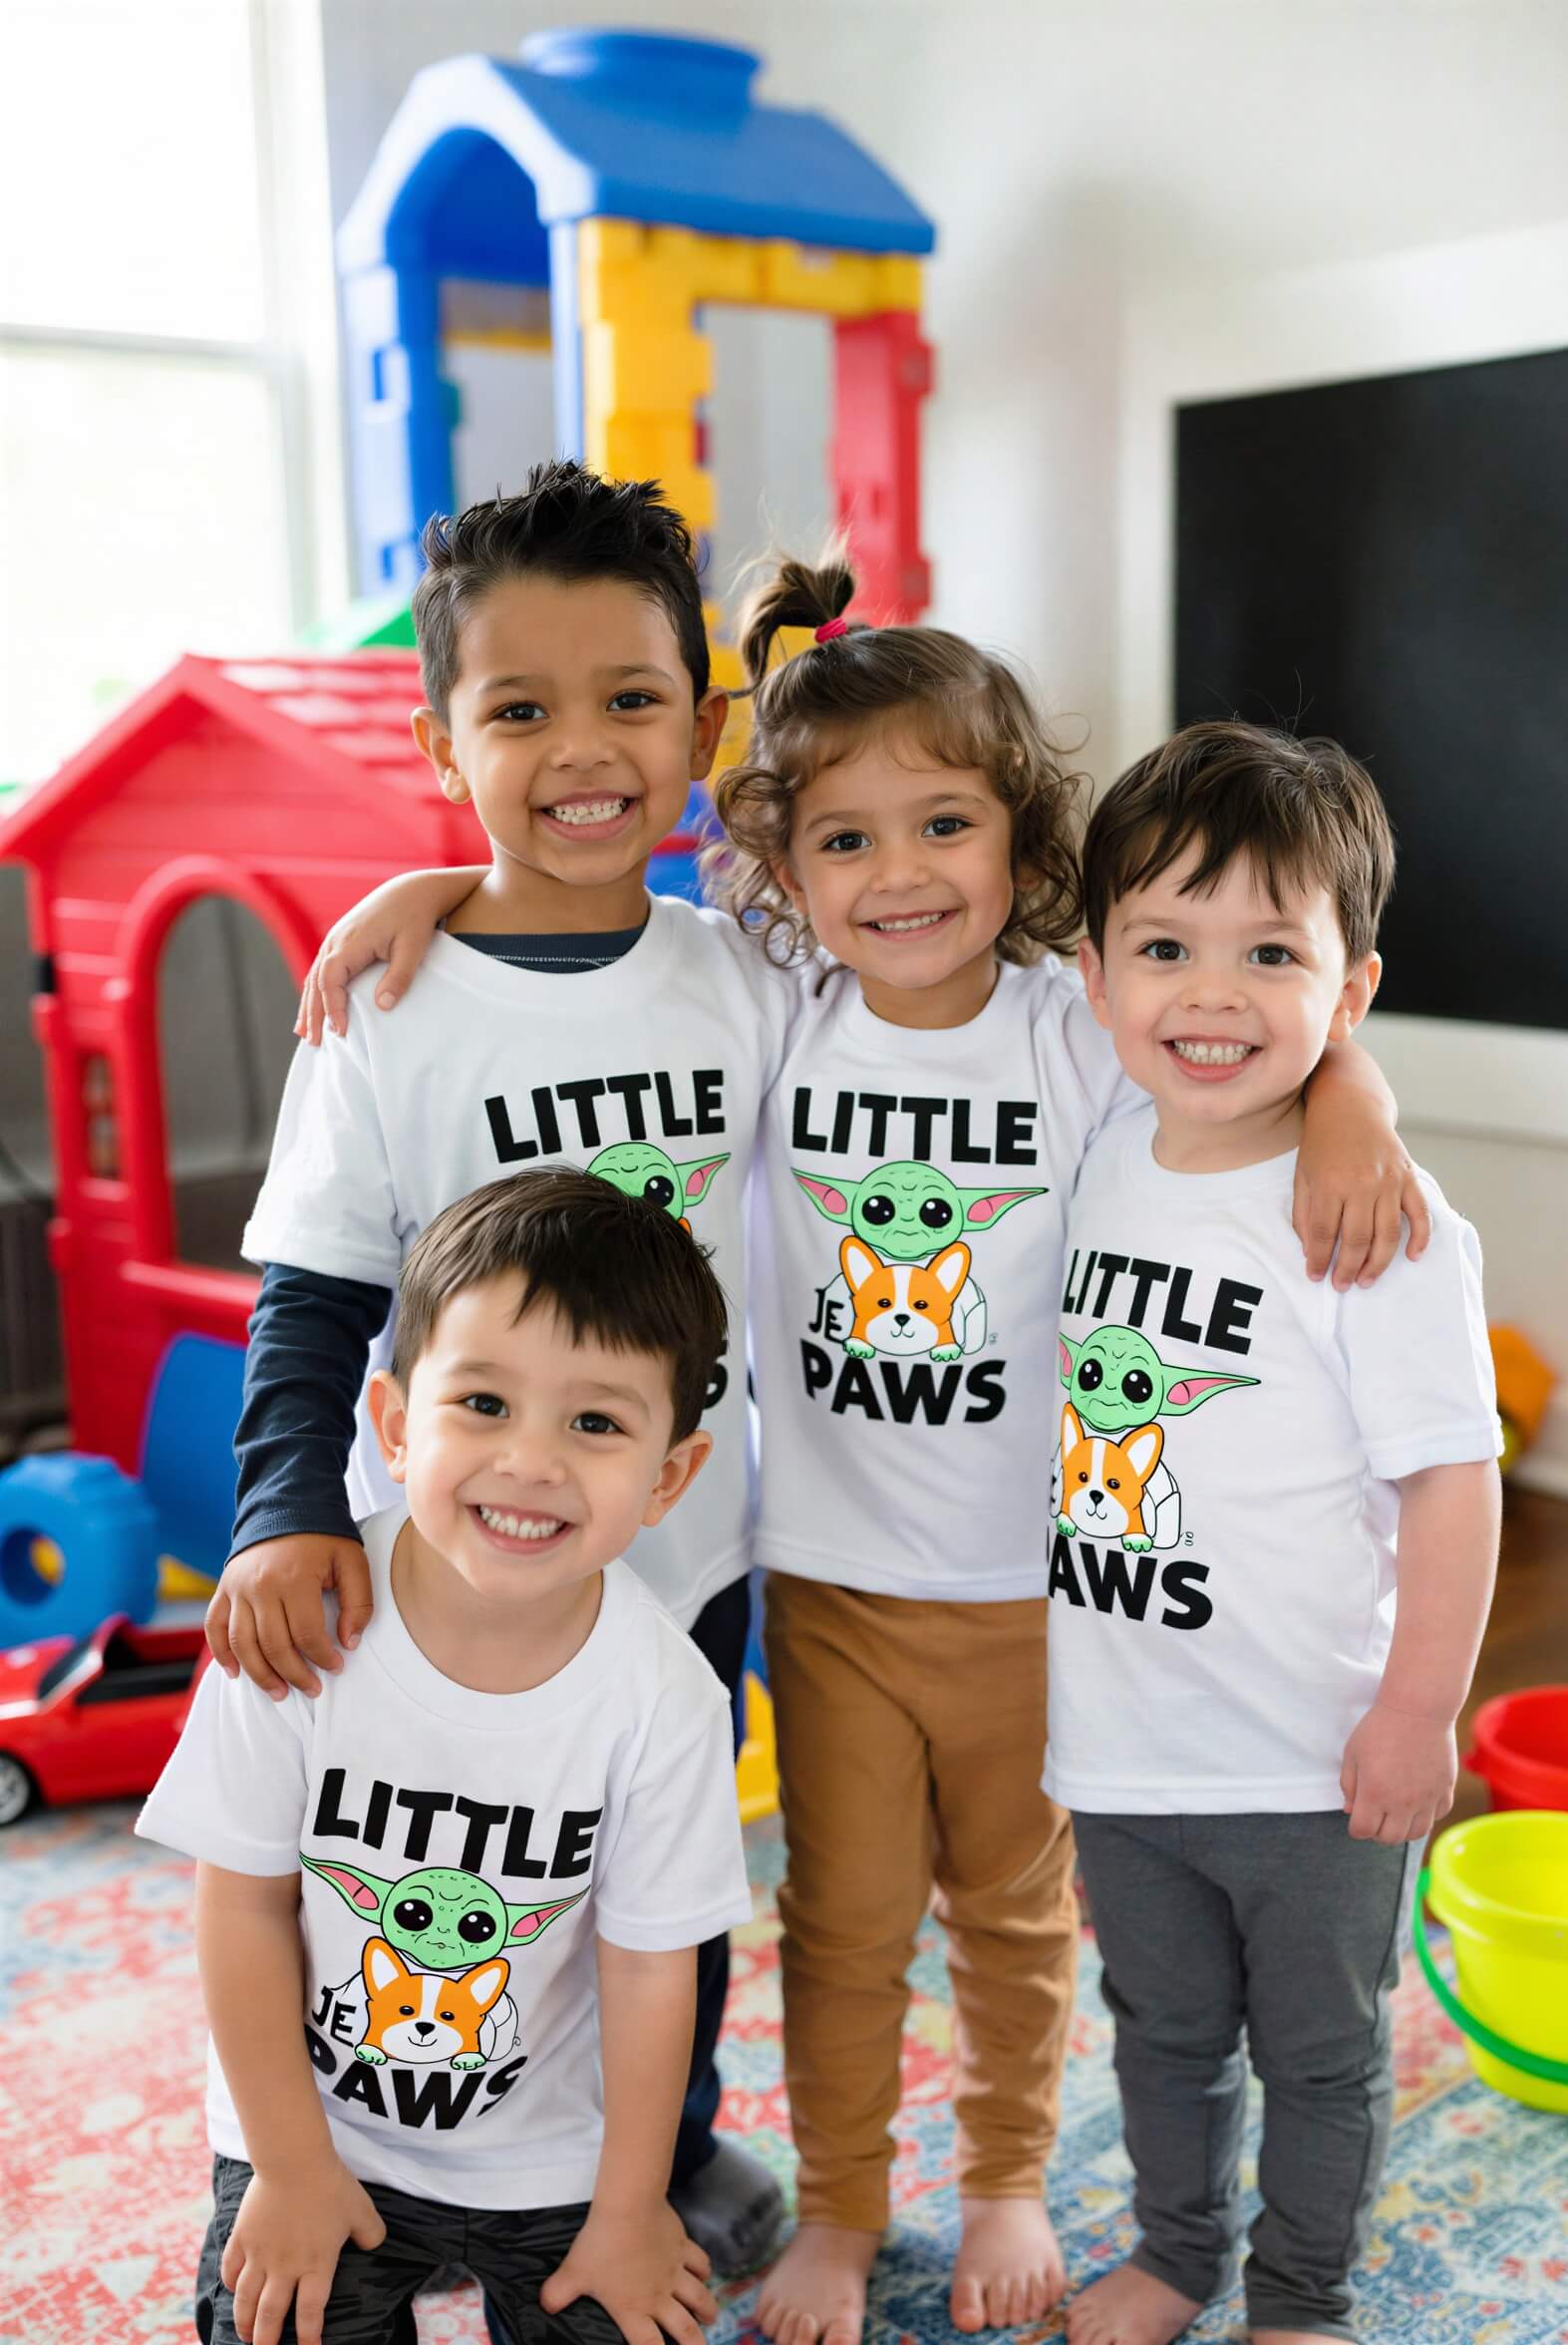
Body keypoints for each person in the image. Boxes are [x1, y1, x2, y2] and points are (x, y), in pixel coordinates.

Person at [291, 557, 1427, 2340]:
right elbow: (587, 939)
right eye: (841, 842)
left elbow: (1245, 1027)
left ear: (1020, 841)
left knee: (1016, 1919)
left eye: (943, 826)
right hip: (818, 1579)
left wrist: (1350, 1084)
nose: (893, 877)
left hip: (1036, 1599)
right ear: (779, 867)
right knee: (833, 1921)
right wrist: (430, 886)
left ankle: (995, 2181)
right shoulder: (773, 1002)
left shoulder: (1076, 1025)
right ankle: (834, 2205)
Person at [206, 463, 787, 2274]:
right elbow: (309, 1296)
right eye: (515, 710)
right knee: (426, 1864)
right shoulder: (385, 1000)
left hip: (677, 1559)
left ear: (702, 725)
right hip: (443, 1574)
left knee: (662, 1886)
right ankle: (348, 2151)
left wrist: (1344, 1082)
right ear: (437, 735)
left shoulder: (749, 975)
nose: (580, 747)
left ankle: (659, 2154)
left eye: (629, 699)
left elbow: (985, 980)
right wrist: (286, 1510)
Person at [1048, 721, 1501, 2345]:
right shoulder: (1095, 1145)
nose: (1209, 994)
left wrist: (1414, 1707)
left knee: (1316, 2050)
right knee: (1156, 2032)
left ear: (1345, 989)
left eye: (1267, 953)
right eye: (1163, 946)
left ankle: (1296, 2295)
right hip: (1120, 1748)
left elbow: (1451, 1476)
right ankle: (1176, 2253)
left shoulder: (1374, 1222)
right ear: (1093, 973)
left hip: (1313, 1761)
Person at [139, 1167, 753, 2345]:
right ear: (392, 1423)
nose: (530, 1462)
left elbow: (648, 1969)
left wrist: (630, 2208)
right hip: (318, 2133)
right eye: (483, 1404)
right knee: (273, 2321)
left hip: (547, 2159)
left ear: (668, 1477)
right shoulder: (300, 1629)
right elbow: (242, 1909)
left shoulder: (666, 1695)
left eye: (595, 1422)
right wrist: (288, 2168)